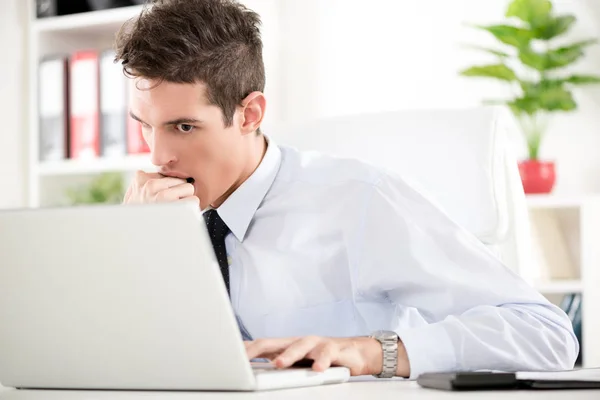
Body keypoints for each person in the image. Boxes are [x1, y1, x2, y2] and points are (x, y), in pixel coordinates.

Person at [116, 0, 578, 379]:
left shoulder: (360, 201)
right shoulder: (150, 217)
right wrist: (137, 249)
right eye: (144, 127)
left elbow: (545, 333)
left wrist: (374, 352)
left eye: (183, 126)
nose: (158, 157)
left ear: (250, 114)